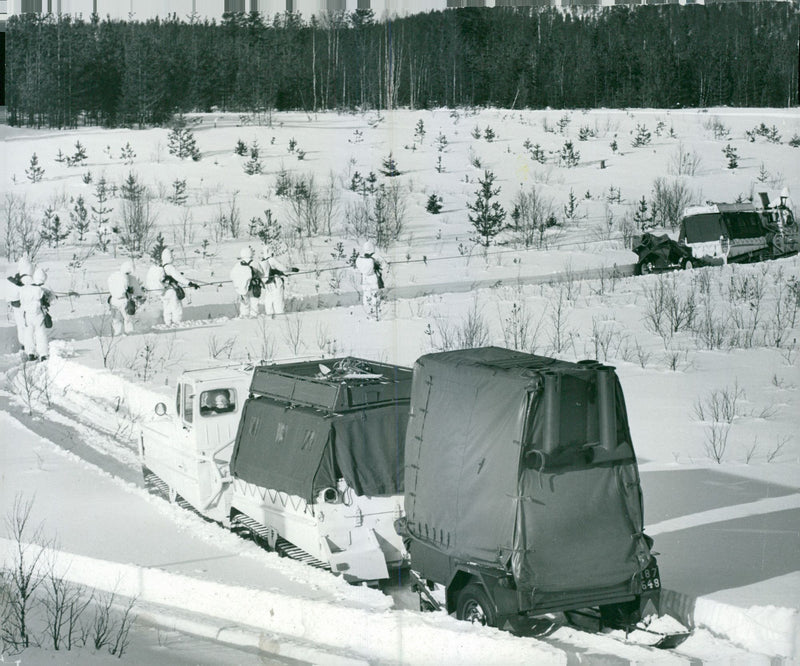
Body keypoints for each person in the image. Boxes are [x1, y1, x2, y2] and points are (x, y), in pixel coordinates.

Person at [147, 248, 199, 326]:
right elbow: (178, 277)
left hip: (163, 292)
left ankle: (168, 322)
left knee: (167, 307)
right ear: (170, 257)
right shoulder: (169, 267)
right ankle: (177, 322)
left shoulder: (161, 267)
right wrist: (189, 283)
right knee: (176, 306)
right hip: (171, 291)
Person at [19, 267, 54, 361]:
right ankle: (43, 354)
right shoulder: (40, 290)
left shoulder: (24, 289)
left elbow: (21, 302)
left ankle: (30, 353)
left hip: (27, 315)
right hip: (38, 315)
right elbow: (47, 302)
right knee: (40, 334)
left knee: (28, 334)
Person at [258, 246, 298, 318]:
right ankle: (280, 316)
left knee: (269, 301)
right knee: (278, 300)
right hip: (276, 283)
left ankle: (269, 316)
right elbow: (283, 268)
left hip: (267, 284)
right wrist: (292, 269)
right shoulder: (272, 260)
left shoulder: (261, 262)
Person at [108, 260, 145, 335]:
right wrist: (139, 295)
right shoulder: (129, 278)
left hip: (114, 301)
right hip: (124, 301)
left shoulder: (113, 276)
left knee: (116, 319)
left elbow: (111, 287)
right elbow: (136, 290)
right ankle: (129, 333)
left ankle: (117, 333)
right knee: (128, 319)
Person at [355, 240, 388, 320]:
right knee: (375, 292)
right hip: (373, 277)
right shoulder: (376, 256)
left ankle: (366, 309)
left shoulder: (360, 257)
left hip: (364, 278)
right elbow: (384, 265)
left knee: (366, 293)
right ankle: (376, 309)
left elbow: (357, 268)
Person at [7, 256, 33, 353]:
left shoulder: (16, 279)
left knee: (22, 326)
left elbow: (11, 296)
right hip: (25, 307)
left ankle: (24, 345)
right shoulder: (31, 279)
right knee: (28, 326)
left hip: (19, 307)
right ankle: (28, 345)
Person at [230, 247, 262, 318]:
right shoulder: (255, 263)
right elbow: (261, 274)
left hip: (242, 287)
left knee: (244, 303)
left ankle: (244, 316)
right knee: (254, 302)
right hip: (254, 287)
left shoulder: (238, 264)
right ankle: (254, 316)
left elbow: (232, 275)